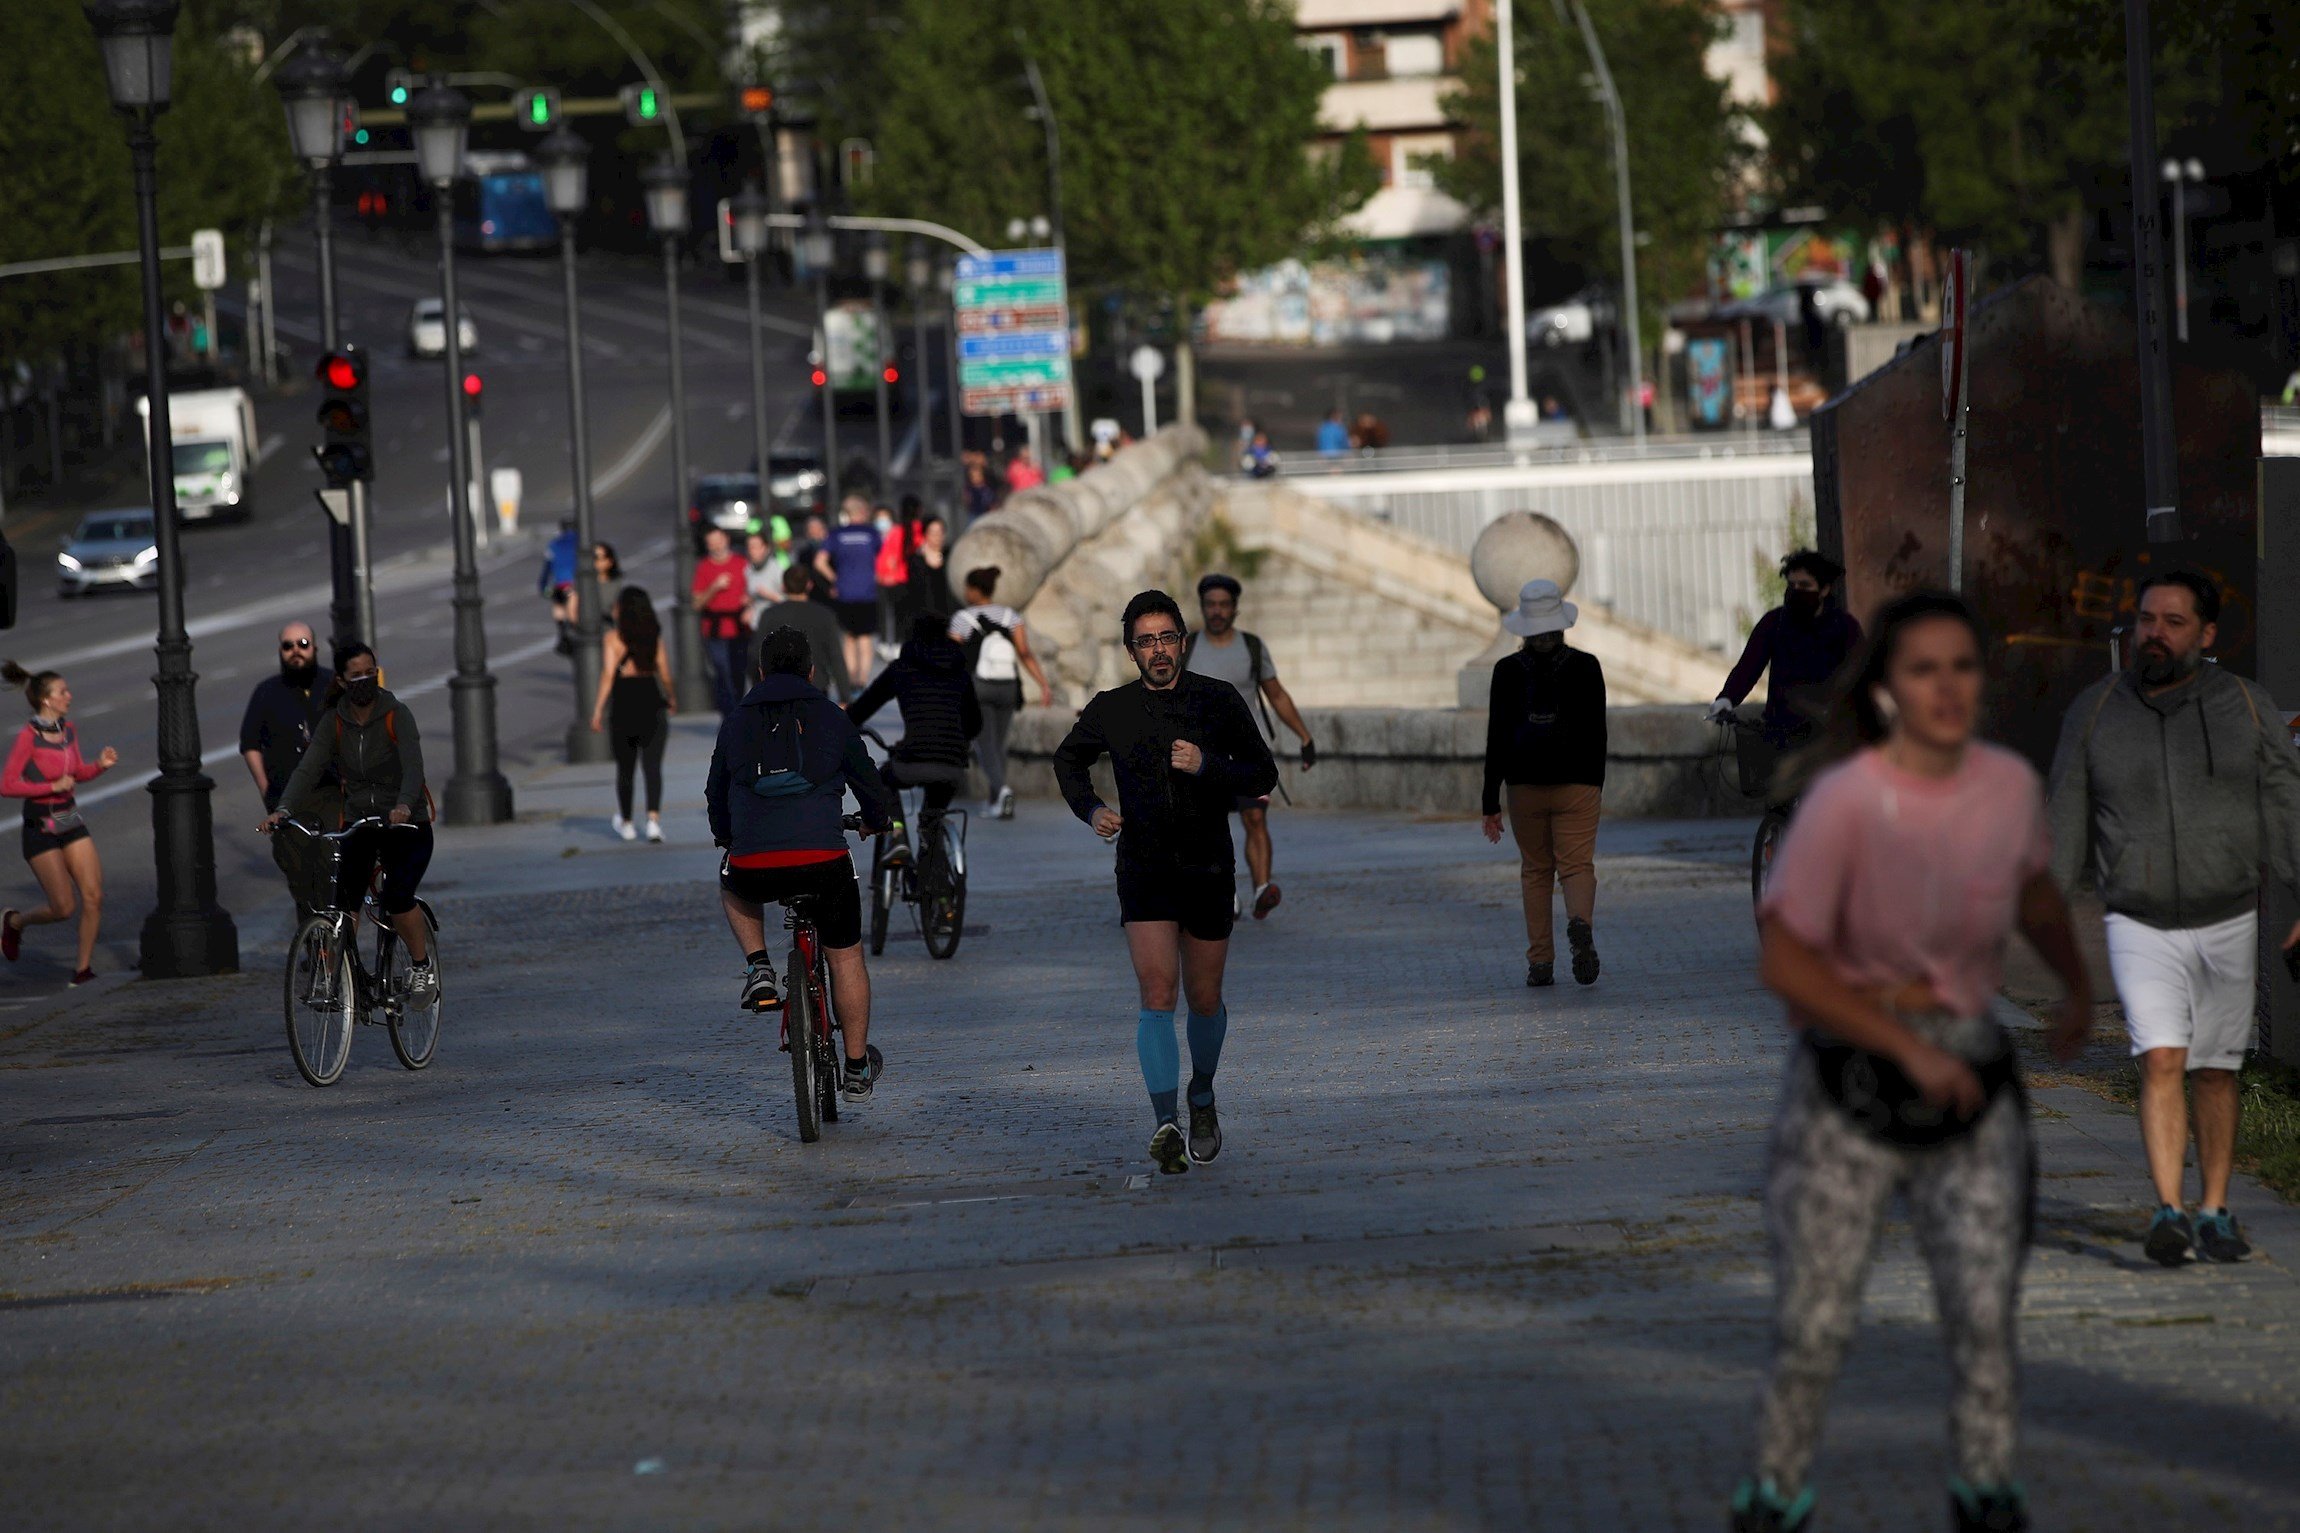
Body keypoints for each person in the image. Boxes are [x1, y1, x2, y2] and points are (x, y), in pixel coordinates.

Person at [1730, 590, 2092, 1533]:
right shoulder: (1845, 799)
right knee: (1815, 1325)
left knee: (1982, 1316)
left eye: (1961, 667)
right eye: (1921, 669)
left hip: (1970, 1073)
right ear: (1886, 689)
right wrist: (1900, 1048)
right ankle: (1777, 1491)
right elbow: (1783, 959)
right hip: (1842, 1079)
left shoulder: (2008, 786)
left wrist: (2076, 987)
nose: (1945, 687)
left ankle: (1985, 1489)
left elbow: (2036, 890)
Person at [2046, 569, 2300, 1267]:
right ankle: (2168, 1209)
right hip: (2138, 916)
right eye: (2146, 618)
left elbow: (2287, 810)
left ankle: (2216, 1208)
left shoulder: (2245, 707)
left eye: (2173, 621)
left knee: (2216, 1070)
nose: (2153, 632)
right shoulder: (2096, 711)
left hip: (2226, 916)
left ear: (2207, 634)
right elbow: (2063, 820)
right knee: (2161, 1057)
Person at [1052, 591, 1278, 1175]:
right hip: (1144, 867)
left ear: (1183, 640)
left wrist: (1209, 766)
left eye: (1167, 637)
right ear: (1131, 651)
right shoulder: (1113, 708)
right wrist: (1092, 810)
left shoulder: (1217, 700)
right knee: (1157, 997)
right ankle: (1165, 1122)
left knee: (1204, 1000)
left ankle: (1201, 1096)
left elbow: (1262, 772)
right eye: (1146, 641)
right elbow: (1067, 760)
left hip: (1207, 866)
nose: (1158, 650)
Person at [707, 625, 894, 1098]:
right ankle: (855, 1068)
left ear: (761, 671)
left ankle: (759, 968)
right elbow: (868, 782)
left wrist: (728, 837)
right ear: (811, 671)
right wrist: (876, 821)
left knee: (732, 879)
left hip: (753, 862)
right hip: (824, 858)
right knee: (846, 955)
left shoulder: (736, 719)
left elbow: (716, 791)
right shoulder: (830, 716)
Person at [263, 645, 439, 1008]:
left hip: (407, 826)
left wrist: (405, 804)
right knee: (343, 904)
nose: (364, 681)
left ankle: (422, 967)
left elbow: (413, 766)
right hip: (361, 822)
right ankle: (335, 977)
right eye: (356, 675)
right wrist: (283, 809)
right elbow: (308, 769)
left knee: (397, 896)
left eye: (369, 672)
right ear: (342, 681)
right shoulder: (334, 722)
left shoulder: (397, 715)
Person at [1479, 580, 1607, 987]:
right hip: (1578, 784)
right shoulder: (1587, 666)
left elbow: (1496, 737)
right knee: (1576, 866)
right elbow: (1598, 733)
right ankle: (1579, 923)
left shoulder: (1506, 671)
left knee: (1536, 870)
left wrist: (1489, 801)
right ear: (1561, 624)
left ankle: (1540, 962)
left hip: (1524, 784)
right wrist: (1594, 784)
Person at [1185, 574, 1315, 920]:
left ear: (1235, 609)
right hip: (1202, 756)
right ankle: (1223, 892)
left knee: (1255, 818)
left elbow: (1276, 694)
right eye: (1210, 605)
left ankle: (1261, 889)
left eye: (1223, 605)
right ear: (1202, 607)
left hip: (1246, 753)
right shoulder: (1187, 647)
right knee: (1208, 826)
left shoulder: (1252, 648)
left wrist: (1305, 737)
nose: (1217, 611)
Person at [0, 664, 119, 985]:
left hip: (70, 820)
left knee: (94, 896)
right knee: (63, 907)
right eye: (62, 692)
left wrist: (99, 766)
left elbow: (76, 773)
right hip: (39, 826)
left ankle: (82, 970)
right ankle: (15, 922)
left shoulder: (69, 731)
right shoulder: (29, 738)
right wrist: (47, 788)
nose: (69, 696)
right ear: (46, 700)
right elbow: (7, 784)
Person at [848, 613, 981, 865]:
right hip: (952, 764)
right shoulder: (960, 671)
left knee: (883, 779)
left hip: (913, 758)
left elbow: (863, 707)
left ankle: (897, 833)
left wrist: (843, 724)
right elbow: (975, 724)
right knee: (932, 818)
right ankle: (941, 892)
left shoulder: (902, 668)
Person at [1709, 551, 1865, 747]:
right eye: (1792, 585)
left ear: (1824, 589)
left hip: (1829, 736)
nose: (1797, 590)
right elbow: (1749, 666)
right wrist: (1727, 698)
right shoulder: (1774, 622)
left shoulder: (1844, 627)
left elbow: (1862, 672)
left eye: (1805, 585)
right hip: (1781, 734)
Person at [239, 622, 337, 919]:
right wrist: (265, 789)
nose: (296, 651)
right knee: (299, 872)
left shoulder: (333, 685)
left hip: (331, 792)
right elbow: (250, 743)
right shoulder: (267, 692)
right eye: (288, 646)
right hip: (286, 798)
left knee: (331, 867)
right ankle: (314, 943)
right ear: (281, 651)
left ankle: (335, 945)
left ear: (315, 648)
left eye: (303, 644)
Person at [950, 566, 1054, 819]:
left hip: (979, 688)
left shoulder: (962, 619)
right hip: (1008, 687)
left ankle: (1002, 790)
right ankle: (996, 800)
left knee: (985, 745)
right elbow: (1025, 653)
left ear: (974, 590)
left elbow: (951, 658)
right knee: (999, 744)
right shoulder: (1010, 616)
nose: (965, 593)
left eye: (967, 588)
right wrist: (1043, 684)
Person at [590, 586, 676, 843]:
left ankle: (626, 822)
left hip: (624, 702)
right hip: (651, 699)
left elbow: (607, 676)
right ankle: (653, 822)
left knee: (625, 767)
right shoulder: (654, 638)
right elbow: (665, 673)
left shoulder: (612, 639)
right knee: (653, 766)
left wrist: (597, 710)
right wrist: (671, 697)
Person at [757, 565, 854, 703]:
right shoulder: (825, 615)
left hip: (777, 689)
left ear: (783, 586)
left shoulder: (770, 615)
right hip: (815, 687)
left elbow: (756, 654)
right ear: (809, 585)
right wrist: (845, 697)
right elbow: (836, 657)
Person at [822, 493, 883, 684]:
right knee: (865, 637)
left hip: (845, 592)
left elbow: (820, 561)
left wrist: (835, 578)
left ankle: (850, 675)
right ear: (863, 511)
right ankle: (863, 678)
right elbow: (882, 559)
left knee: (849, 637)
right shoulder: (871, 534)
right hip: (867, 592)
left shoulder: (836, 534)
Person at [691, 527, 751, 717]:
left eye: (718, 541)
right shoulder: (704, 567)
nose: (716, 546)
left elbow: (754, 590)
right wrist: (714, 587)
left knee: (739, 672)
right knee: (722, 671)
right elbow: (697, 603)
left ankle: (739, 711)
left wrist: (749, 601)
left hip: (740, 627)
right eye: (711, 543)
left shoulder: (741, 563)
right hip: (716, 630)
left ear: (726, 540)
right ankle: (728, 714)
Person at [541, 518, 579, 655]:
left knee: (558, 608)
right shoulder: (581, 542)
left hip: (560, 585)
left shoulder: (554, 544)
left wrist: (543, 586)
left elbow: (547, 567)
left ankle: (562, 634)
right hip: (577, 584)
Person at [906, 515, 955, 620]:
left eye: (941, 531)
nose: (938, 536)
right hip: (925, 618)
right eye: (933, 532)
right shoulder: (916, 560)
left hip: (949, 615)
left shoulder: (951, 555)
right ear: (925, 534)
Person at [742, 531, 785, 631]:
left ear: (766, 549)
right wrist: (748, 606)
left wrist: (770, 596)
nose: (751, 551)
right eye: (749, 547)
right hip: (755, 628)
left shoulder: (778, 570)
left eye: (755, 547)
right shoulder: (748, 570)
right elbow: (751, 597)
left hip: (775, 628)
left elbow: (789, 601)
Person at [962, 458, 999, 523]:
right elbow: (966, 501)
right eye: (973, 476)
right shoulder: (969, 488)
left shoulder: (987, 489)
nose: (976, 478)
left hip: (985, 514)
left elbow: (992, 503)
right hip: (973, 514)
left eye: (978, 476)